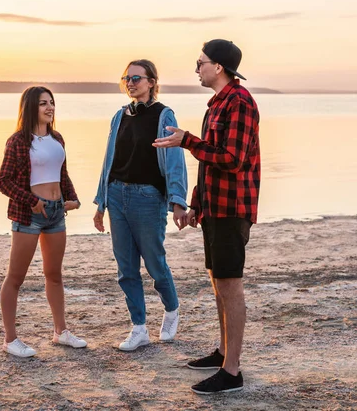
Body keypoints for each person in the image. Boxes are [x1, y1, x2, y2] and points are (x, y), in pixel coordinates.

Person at [153, 39, 261, 394]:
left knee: (230, 284)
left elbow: (232, 159)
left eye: (200, 63)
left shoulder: (240, 103)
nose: (196, 68)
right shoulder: (216, 104)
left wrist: (187, 140)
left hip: (233, 209)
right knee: (218, 282)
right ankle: (223, 352)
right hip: (215, 206)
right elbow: (209, 164)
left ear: (218, 67)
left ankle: (232, 372)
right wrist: (197, 202)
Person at [93, 59, 189, 352]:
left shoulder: (163, 115)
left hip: (148, 198)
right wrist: (101, 202)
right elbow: (109, 160)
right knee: (126, 268)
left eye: (137, 78)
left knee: (155, 262)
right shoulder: (119, 116)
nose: (131, 83)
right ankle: (139, 327)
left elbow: (174, 159)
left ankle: (171, 308)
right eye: (127, 78)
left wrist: (178, 201)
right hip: (117, 195)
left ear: (151, 82)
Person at [0, 86, 87, 358]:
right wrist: (32, 201)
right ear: (30, 108)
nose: (50, 108)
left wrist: (73, 198)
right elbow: (5, 181)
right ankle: (10, 339)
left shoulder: (56, 137)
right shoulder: (18, 142)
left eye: (52, 103)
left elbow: (63, 173)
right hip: (30, 215)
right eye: (43, 104)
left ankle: (61, 331)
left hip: (57, 213)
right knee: (16, 277)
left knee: (54, 274)